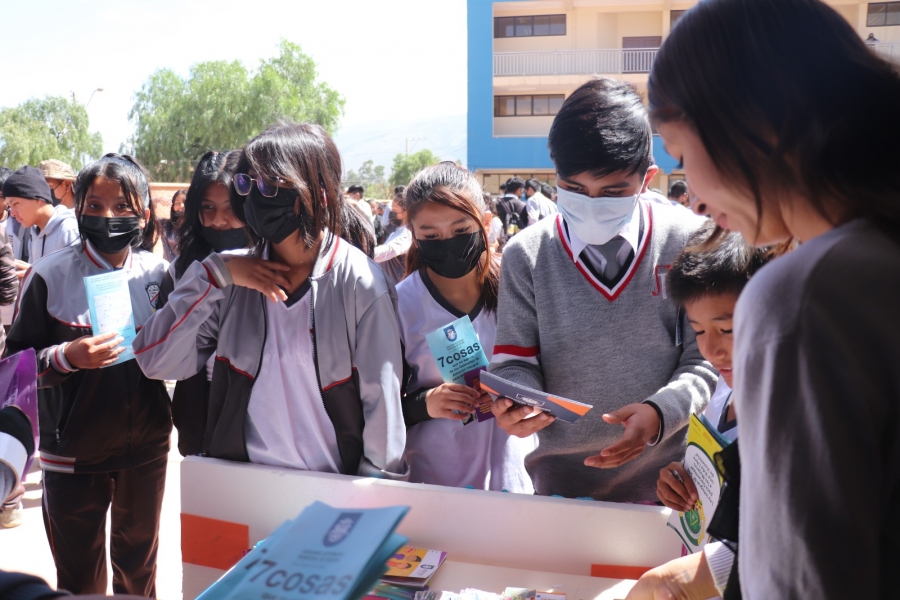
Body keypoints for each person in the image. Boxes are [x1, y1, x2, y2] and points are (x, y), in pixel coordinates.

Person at [629, 0, 900, 598]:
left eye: (680, 154)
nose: (692, 197)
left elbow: (802, 579)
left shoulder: (805, 297)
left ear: (753, 124)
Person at [133, 122, 408, 480]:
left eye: (271, 185)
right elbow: (155, 361)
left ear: (320, 193)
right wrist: (210, 275)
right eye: (247, 183)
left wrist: (369, 505)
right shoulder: (230, 275)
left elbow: (383, 411)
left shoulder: (361, 282)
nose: (254, 199)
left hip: (333, 494)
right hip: (247, 490)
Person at [488, 78, 716, 502]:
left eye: (612, 193)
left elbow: (706, 361)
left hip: (669, 487)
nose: (591, 205)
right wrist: (515, 405)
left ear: (647, 178)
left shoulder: (688, 240)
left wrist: (659, 414)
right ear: (554, 177)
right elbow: (513, 365)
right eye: (574, 190)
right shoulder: (526, 255)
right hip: (560, 489)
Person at [5, 154, 171, 596]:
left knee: (140, 572)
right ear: (79, 209)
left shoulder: (158, 275)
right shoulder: (48, 275)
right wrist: (65, 356)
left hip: (146, 452)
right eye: (95, 206)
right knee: (80, 580)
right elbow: (14, 371)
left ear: (145, 213)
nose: (108, 217)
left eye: (123, 206)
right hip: (72, 455)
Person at [397, 162, 534, 492]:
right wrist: (425, 403)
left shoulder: (517, 289)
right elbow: (375, 406)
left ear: (486, 222)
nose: (447, 243)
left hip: (513, 477)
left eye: (461, 231)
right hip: (433, 480)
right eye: (431, 236)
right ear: (414, 236)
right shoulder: (399, 304)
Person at [157, 151, 248, 457]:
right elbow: (162, 347)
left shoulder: (274, 264)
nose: (219, 220)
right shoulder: (183, 269)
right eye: (208, 208)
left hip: (257, 411)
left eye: (231, 208)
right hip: (200, 409)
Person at [3, 166, 80, 280]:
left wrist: (37, 274)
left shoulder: (68, 230)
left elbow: (78, 280)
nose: (12, 213)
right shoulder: (34, 232)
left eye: (15, 204)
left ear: (37, 198)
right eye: (9, 206)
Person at [374, 189, 412, 285]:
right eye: (391, 210)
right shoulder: (398, 229)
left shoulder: (408, 232)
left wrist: (366, 253)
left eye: (395, 211)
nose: (392, 213)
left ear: (406, 212)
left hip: (398, 286)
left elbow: (390, 250)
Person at [159, 189, 186, 262]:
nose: (181, 206)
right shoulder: (165, 225)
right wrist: (156, 201)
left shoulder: (196, 229)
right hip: (169, 271)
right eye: (177, 203)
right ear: (172, 206)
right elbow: (146, 217)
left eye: (185, 203)